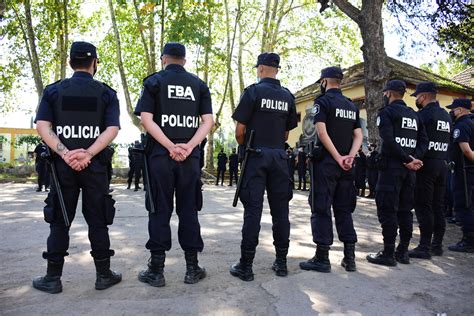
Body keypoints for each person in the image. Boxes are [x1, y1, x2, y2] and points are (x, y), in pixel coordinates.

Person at [33, 41, 121, 293]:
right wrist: (89, 154)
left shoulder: (53, 92)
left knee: (59, 220)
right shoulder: (106, 93)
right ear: (94, 63)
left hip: (62, 167)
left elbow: (43, 126)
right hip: (95, 167)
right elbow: (112, 129)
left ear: (70, 63)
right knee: (98, 221)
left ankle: (52, 278)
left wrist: (66, 153)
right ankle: (103, 275)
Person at [134, 42, 214, 287]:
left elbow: (146, 119)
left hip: (160, 157)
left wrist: (169, 146)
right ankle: (192, 268)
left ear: (163, 59)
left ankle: (156, 271)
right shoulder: (199, 85)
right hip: (189, 159)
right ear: (185, 61)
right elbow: (208, 121)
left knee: (159, 210)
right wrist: (188, 147)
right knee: (189, 210)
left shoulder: (154, 82)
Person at [230, 52, 297, 281]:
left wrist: (247, 145)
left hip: (255, 156)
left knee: (253, 212)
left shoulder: (253, 92)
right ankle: (281, 263)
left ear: (260, 69)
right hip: (279, 158)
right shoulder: (288, 96)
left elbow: (240, 131)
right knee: (281, 212)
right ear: (276, 69)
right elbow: (287, 132)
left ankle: (246, 266)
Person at [299, 66, 363, 273]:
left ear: (324, 81)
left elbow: (322, 132)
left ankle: (322, 258)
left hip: (327, 164)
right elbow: (358, 136)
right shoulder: (351, 105)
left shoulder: (323, 102)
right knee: (344, 209)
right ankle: (349, 258)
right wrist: (349, 158)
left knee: (321, 207)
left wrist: (337, 158)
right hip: (347, 166)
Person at [366, 80, 428, 267]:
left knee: (387, 210)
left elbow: (389, 140)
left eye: (385, 94)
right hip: (410, 171)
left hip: (392, 169)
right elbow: (424, 141)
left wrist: (407, 159)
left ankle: (388, 252)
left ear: (389, 94)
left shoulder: (387, 113)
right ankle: (403, 252)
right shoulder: (415, 116)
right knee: (405, 210)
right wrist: (413, 159)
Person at [408, 82, 452, 259]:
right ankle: (437, 245)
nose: (416, 100)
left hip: (425, 164)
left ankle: (424, 247)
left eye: (417, 97)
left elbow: (417, 139)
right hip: (442, 164)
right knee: (438, 206)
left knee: (423, 205)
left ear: (424, 97)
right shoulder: (447, 116)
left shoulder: (424, 115)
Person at [446, 99, 474, 253]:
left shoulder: (462, 125)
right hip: (469, 171)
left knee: (464, 206)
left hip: (463, 172)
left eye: (454, 109)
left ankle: (468, 240)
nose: (452, 112)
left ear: (461, 110)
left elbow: (466, 150)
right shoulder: (472, 123)